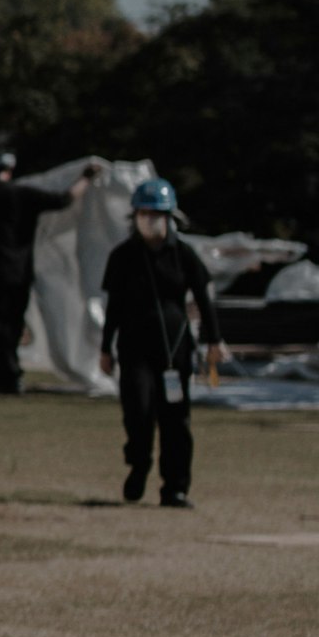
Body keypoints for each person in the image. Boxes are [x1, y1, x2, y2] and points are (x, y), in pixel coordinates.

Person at [99, 177, 228, 507]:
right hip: (134, 349)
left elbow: (204, 297)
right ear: (135, 216)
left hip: (175, 351)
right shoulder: (123, 256)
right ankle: (139, 463)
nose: (150, 219)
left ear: (170, 217)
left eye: (157, 214)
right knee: (138, 413)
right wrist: (105, 347)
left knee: (176, 422)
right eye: (144, 213)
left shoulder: (184, 254)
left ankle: (175, 487)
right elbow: (113, 307)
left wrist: (214, 340)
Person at [0, 153, 95, 395]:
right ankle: (8, 371)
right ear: (9, 172)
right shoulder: (22, 194)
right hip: (16, 270)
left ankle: (5, 372)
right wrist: (86, 178)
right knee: (12, 323)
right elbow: (64, 199)